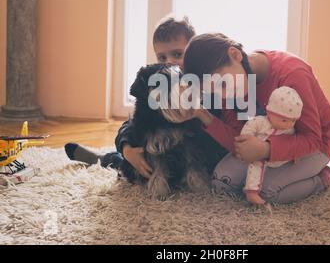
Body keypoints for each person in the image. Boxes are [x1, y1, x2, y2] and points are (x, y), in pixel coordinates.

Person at [179, 33, 330, 205]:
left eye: (222, 84)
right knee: (221, 182)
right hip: (266, 141)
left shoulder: (292, 75)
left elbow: (313, 139)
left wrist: (266, 150)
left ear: (235, 55)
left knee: (266, 192)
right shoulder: (233, 84)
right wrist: (202, 114)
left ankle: (323, 178)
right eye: (214, 92)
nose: (223, 95)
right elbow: (239, 141)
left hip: (315, 146)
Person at [65, 17, 226, 174]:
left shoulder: (210, 85)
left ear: (193, 52)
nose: (168, 62)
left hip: (201, 160)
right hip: (162, 158)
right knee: (135, 160)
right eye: (162, 57)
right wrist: (126, 148)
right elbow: (133, 124)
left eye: (177, 54)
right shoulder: (158, 88)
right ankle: (105, 159)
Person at [241, 86, 303, 205]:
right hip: (259, 156)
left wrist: (296, 155)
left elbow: (294, 142)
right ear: (269, 113)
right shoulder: (260, 122)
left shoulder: (289, 129)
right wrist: (246, 141)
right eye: (284, 120)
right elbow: (248, 129)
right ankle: (251, 192)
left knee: (290, 171)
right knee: (255, 166)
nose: (289, 125)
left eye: (293, 121)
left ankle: (321, 177)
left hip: (282, 159)